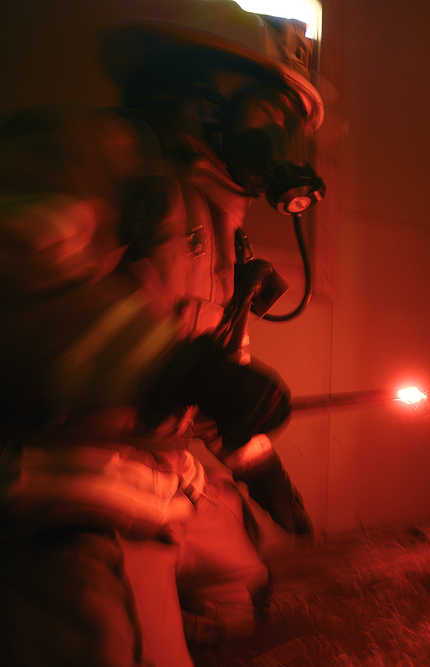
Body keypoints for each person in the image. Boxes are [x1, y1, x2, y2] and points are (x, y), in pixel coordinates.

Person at [0, 1, 325, 664]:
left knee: (239, 588)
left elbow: (215, 370)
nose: (282, 142)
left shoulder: (214, 218)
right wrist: (169, 368)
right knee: (115, 638)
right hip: (65, 492)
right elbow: (16, 276)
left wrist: (258, 459)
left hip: (159, 480)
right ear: (204, 93)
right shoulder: (91, 153)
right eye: (272, 113)